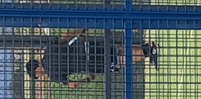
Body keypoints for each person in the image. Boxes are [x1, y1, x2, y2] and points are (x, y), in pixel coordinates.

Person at [25, 31, 158, 86]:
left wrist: (86, 79)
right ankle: (146, 48)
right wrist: (80, 31)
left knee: (119, 60)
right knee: (117, 50)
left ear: (37, 71)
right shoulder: (49, 49)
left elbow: (72, 85)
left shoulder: (53, 75)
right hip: (86, 46)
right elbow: (65, 35)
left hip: (90, 63)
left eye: (38, 76)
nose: (41, 77)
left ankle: (148, 51)